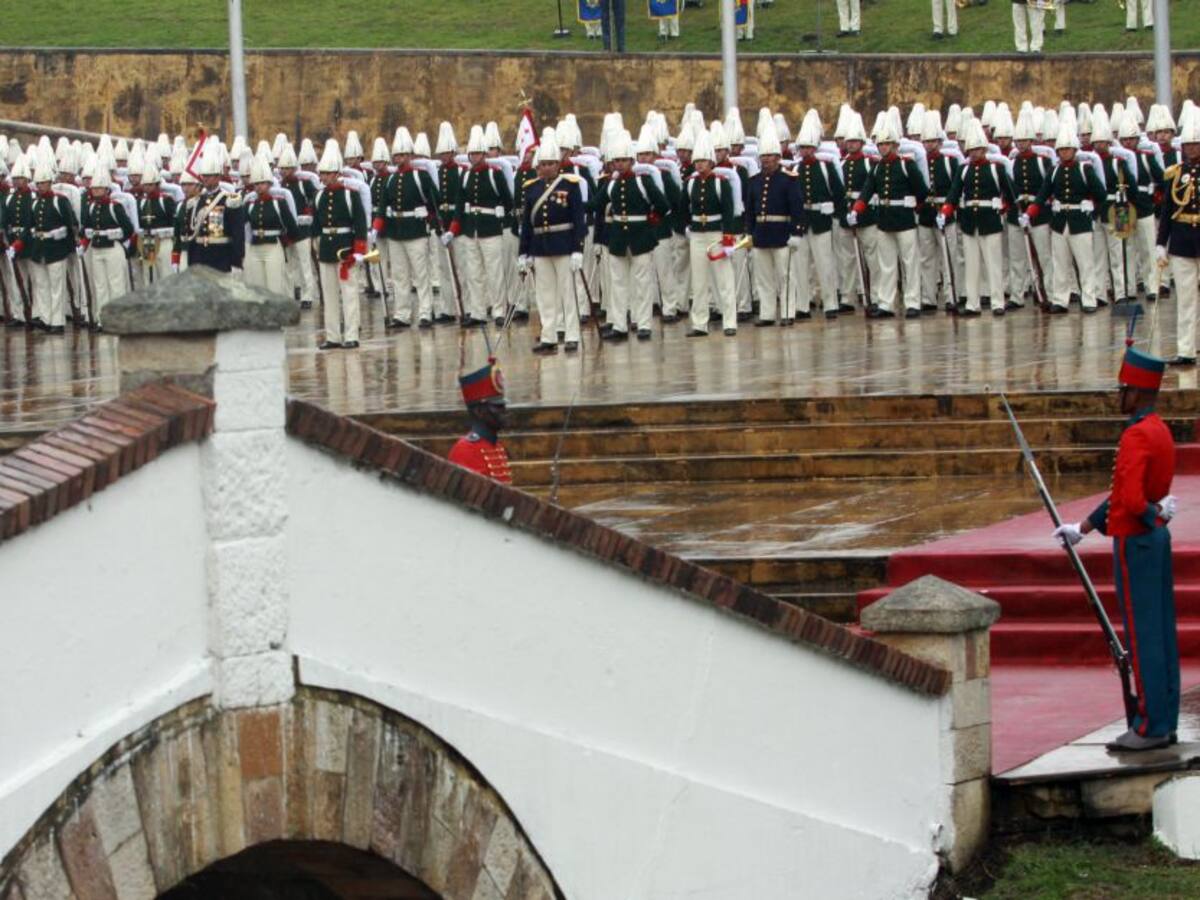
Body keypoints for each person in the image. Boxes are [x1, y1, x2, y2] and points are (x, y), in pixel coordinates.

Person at [1053, 347, 1178, 752]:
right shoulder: (1159, 428)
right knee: (1161, 633)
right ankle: (1163, 719)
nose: (1119, 396)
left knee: (1143, 638)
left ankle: (1148, 727)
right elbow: (1126, 496)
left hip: (1136, 543)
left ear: (1137, 392)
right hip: (1155, 539)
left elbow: (1129, 500)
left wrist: (1150, 512)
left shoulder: (1135, 434)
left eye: (1123, 388)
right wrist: (1083, 528)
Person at [594, 130, 671, 340]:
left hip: (640, 236)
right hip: (618, 237)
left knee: (642, 283)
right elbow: (595, 205)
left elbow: (663, 204)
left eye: (623, 160)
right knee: (617, 284)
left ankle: (643, 323)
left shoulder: (642, 181)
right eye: (616, 161)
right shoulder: (611, 183)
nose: (619, 164)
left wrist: (652, 220)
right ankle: (619, 325)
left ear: (631, 160)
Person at [1025, 121, 1107, 314]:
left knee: (1085, 263)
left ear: (1074, 150)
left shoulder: (1085, 169)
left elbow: (1101, 194)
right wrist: (1030, 212)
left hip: (1080, 221)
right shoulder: (1054, 171)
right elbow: (1043, 194)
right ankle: (1060, 299)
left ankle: (1089, 298)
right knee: (1060, 263)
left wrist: (1091, 207)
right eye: (1061, 150)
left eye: (1067, 149)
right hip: (1060, 222)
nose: (1064, 153)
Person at [849, 119, 928, 319]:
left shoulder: (906, 165)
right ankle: (886, 303)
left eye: (886, 144)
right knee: (886, 264)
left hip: (904, 219)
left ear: (895, 145)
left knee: (909, 263)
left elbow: (921, 190)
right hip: (884, 220)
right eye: (880, 144)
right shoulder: (877, 167)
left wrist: (914, 206)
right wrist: (857, 209)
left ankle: (913, 302)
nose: (883, 147)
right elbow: (868, 190)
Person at [518, 132, 587, 354]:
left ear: (558, 164)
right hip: (540, 246)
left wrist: (578, 248)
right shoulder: (531, 188)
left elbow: (578, 219)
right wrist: (523, 253)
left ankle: (572, 335)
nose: (546, 168)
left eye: (550, 164)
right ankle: (549, 336)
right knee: (545, 295)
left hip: (564, 244)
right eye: (543, 164)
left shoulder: (570, 185)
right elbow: (527, 223)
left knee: (568, 293)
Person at [940, 120, 1017, 316]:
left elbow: (1009, 193)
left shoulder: (996, 168)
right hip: (969, 222)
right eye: (971, 150)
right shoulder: (963, 170)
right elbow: (954, 193)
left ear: (984, 149)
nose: (974, 153)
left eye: (977, 149)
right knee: (971, 265)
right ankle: (972, 303)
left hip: (990, 220)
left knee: (993, 264)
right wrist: (946, 210)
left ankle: (997, 302)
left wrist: (1005, 207)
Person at [374, 129, 439, 329]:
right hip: (396, 232)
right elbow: (383, 206)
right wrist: (376, 228)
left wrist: (431, 218)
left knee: (421, 274)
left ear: (409, 156)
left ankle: (426, 312)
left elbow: (434, 201)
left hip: (416, 230)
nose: (399, 159)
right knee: (400, 275)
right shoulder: (391, 179)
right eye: (396, 156)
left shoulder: (421, 176)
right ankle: (402, 313)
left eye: (402, 155)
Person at [681, 130, 738, 336]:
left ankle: (730, 321)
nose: (699, 165)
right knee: (699, 280)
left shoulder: (720, 182)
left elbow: (728, 211)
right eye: (697, 162)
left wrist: (728, 237)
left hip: (716, 233)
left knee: (724, 279)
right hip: (697, 234)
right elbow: (683, 207)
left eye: (703, 161)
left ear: (711, 162)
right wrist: (687, 227)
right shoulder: (690, 183)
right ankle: (699, 323)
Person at [313, 140, 369, 350]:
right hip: (327, 250)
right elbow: (317, 226)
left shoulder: (349, 195)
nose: (323, 177)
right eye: (322, 173)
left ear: (336, 173)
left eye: (327, 173)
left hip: (345, 249)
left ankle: (352, 335)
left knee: (349, 294)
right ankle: (333, 336)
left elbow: (360, 224)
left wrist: (359, 251)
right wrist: (316, 247)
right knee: (329, 295)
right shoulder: (318, 196)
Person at [745, 126, 803, 325]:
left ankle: (788, 312)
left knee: (785, 276)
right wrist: (749, 233)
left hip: (782, 234)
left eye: (770, 155)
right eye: (763, 156)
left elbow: (796, 207)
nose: (766, 159)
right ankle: (767, 314)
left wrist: (796, 232)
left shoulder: (788, 180)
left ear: (778, 158)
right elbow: (750, 210)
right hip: (761, 233)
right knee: (764, 278)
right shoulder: (754, 181)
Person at [1157, 116, 1200, 365]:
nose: (1192, 148)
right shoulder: (1175, 173)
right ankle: (1186, 349)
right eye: (1189, 144)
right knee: (1185, 299)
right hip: (1182, 241)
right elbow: (1167, 210)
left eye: (1196, 144)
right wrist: (1161, 243)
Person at [80, 167, 135, 330]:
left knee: (116, 285)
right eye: (94, 188)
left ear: (106, 189)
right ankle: (101, 319)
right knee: (100, 286)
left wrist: (115, 234)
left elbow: (128, 229)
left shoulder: (115, 206)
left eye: (99, 188)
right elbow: (86, 227)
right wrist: (87, 234)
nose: (96, 191)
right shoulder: (91, 207)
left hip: (113, 248)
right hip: (97, 249)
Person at [448, 357, 512, 484]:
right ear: (479, 412)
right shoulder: (465, 450)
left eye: (503, 407)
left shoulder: (497, 446)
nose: (504, 412)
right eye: (497, 407)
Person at [243, 156, 299, 297]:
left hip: (273, 247)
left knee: (275, 288)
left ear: (269, 184)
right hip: (255, 247)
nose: (259, 186)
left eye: (262, 183)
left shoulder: (278, 203)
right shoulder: (250, 204)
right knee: (258, 289)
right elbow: (240, 223)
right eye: (256, 184)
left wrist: (285, 242)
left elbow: (292, 227)